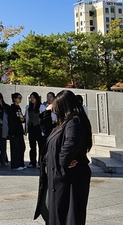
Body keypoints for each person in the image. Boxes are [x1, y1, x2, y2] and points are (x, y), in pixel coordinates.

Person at [40, 90, 92, 225]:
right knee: (55, 213)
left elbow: (71, 143)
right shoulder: (62, 123)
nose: (55, 108)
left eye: (57, 105)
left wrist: (63, 161)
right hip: (60, 176)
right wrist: (47, 110)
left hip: (70, 177)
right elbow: (47, 131)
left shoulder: (74, 121)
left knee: (69, 215)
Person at [25, 92, 46, 168]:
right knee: (32, 146)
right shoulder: (28, 107)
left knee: (41, 146)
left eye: (33, 98)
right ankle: (32, 162)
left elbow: (44, 118)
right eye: (31, 98)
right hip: (31, 127)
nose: (32, 99)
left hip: (38, 128)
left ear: (36, 98)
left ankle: (40, 162)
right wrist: (26, 129)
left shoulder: (41, 107)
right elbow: (27, 118)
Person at [7, 92, 26, 170]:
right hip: (14, 131)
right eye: (19, 97)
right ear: (14, 99)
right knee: (15, 148)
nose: (20, 99)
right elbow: (11, 121)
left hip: (19, 131)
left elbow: (21, 118)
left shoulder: (18, 107)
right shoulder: (12, 108)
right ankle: (15, 165)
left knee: (22, 147)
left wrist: (23, 119)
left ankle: (21, 164)